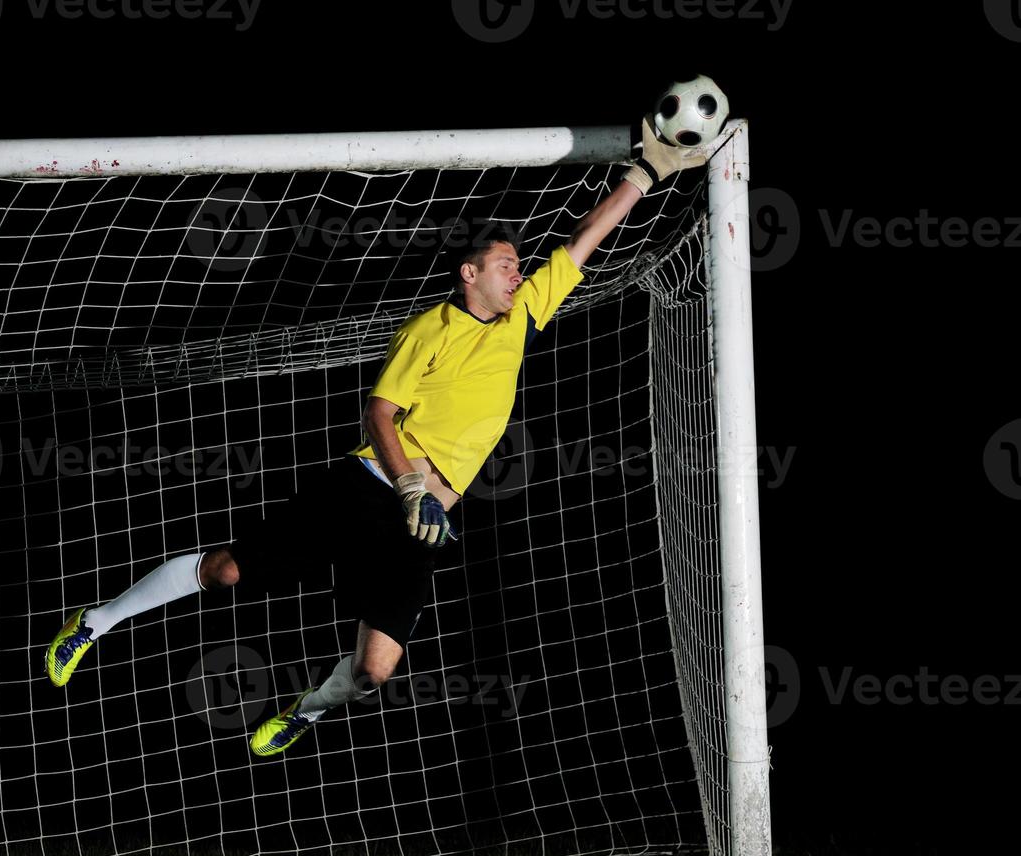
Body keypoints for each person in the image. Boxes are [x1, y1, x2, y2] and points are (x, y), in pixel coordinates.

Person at [45, 117, 712, 757]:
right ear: (469, 274)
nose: (518, 273)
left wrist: (648, 171)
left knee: (372, 674)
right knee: (227, 570)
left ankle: (300, 711)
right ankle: (94, 623)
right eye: (506, 265)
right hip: (369, 491)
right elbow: (380, 414)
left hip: (420, 524)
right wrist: (412, 485)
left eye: (518, 267)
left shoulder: (522, 317)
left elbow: (583, 239)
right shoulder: (429, 331)